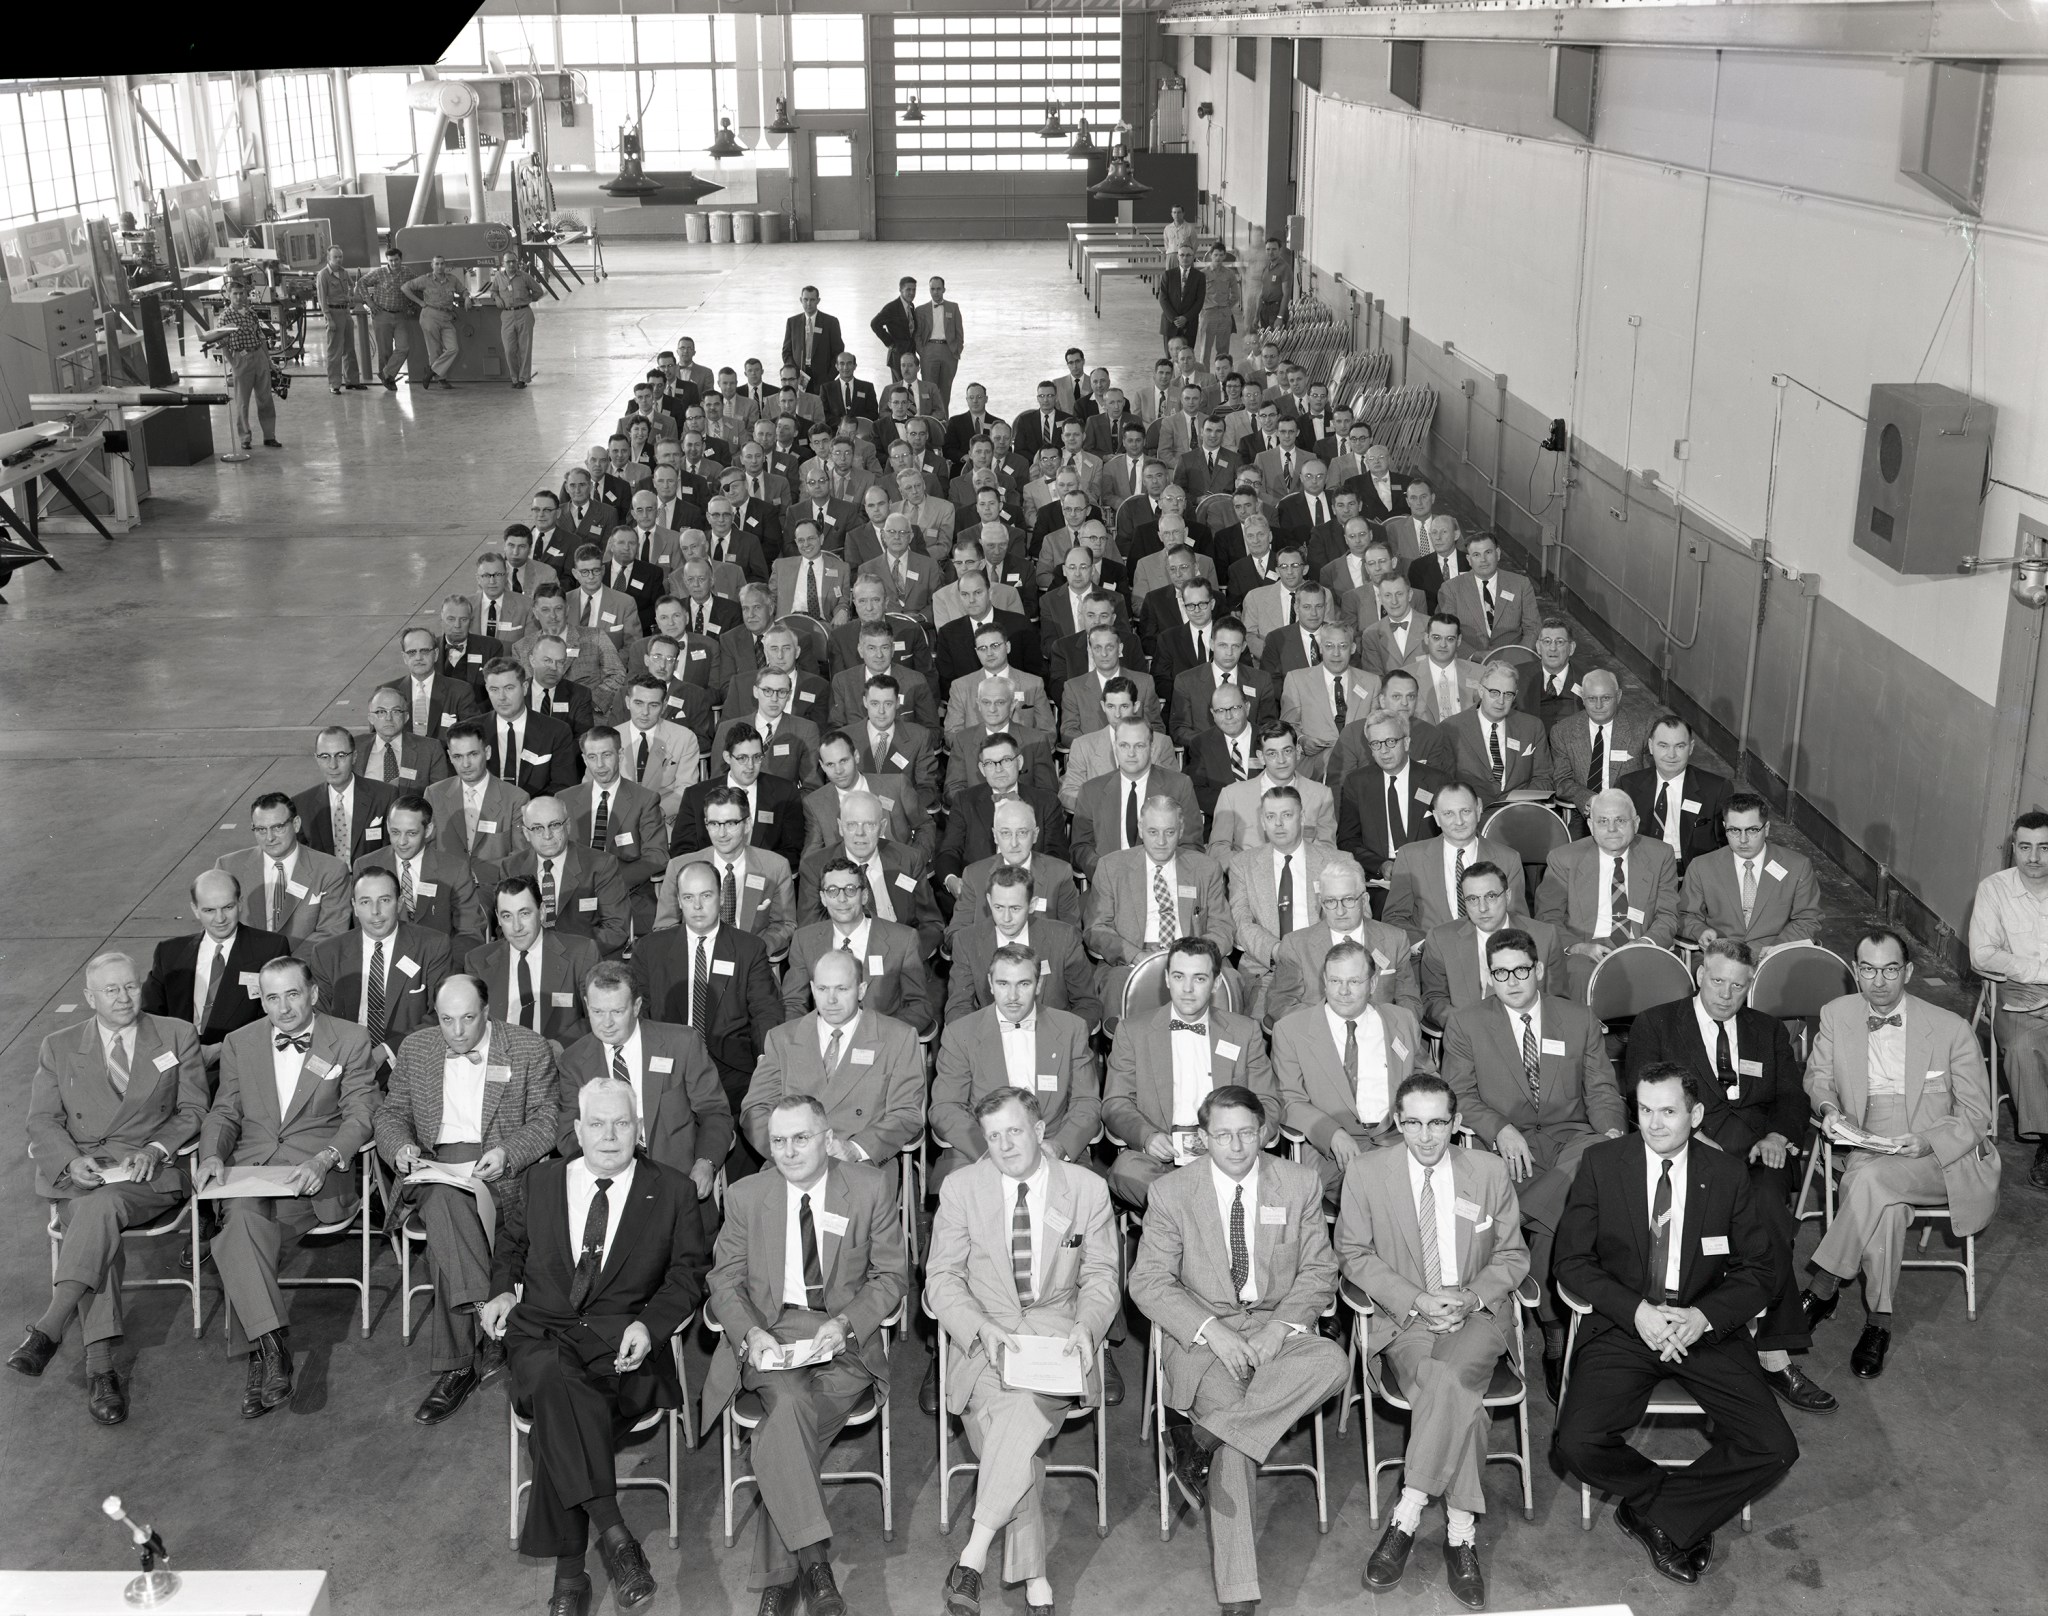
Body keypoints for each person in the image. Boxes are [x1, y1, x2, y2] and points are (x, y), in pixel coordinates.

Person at [1551, 1063, 1800, 1586]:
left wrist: (1704, 1317)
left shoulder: (1727, 1173)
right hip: (1626, 1323)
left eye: (1668, 1111)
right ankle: (1662, 1499)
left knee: (1774, 1445)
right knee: (1575, 1442)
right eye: (1644, 1110)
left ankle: (1660, 1514)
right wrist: (1635, 1311)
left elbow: (1760, 1271)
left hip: (1700, 1325)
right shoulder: (1602, 1164)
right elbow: (1571, 1261)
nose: (1655, 1124)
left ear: (1696, 1114)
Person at [476, 1078, 708, 1616]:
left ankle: (570, 1578)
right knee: (558, 1381)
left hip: (620, 1349)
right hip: (542, 1334)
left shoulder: (671, 1190)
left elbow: (688, 1274)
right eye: (597, 1124)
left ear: (639, 1129)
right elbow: (510, 1248)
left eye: (621, 1123)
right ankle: (616, 1536)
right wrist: (499, 1295)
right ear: (577, 1130)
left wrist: (649, 1326)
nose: (609, 1136)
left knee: (561, 1407)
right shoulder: (541, 1180)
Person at [1130, 1086, 1348, 1616]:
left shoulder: (1296, 1183)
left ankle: (1200, 1438)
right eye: (1222, 1135)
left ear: (1264, 1133)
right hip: (1208, 1343)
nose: (1235, 1146)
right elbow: (1148, 1282)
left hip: (1278, 1330)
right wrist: (1213, 1330)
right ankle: (1239, 1593)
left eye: (1247, 1133)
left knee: (1333, 1362)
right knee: (1236, 1442)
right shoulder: (1173, 1193)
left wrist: (1278, 1328)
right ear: (1203, 1138)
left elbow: (1320, 1270)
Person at [700, 1093, 907, 1616]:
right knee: (789, 1407)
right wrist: (749, 1334)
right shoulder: (748, 1195)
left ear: (827, 1138)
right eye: (778, 1141)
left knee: (781, 1431)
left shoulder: (868, 1187)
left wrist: (846, 1323)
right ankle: (816, 1565)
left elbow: (891, 1276)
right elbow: (722, 1280)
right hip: (773, 1333)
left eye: (801, 1138)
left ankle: (783, 1573)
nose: (788, 1151)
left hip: (843, 1339)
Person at [924, 1088, 1121, 1616]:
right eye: (993, 1136)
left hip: (1058, 1342)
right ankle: (1033, 1575)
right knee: (1018, 1426)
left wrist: (1088, 1326)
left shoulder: (1086, 1190)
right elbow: (940, 1279)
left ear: (1038, 1131)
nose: (1005, 1145)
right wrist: (980, 1327)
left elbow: (1102, 1276)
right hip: (986, 1340)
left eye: (1014, 1131)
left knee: (1013, 1417)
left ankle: (973, 1552)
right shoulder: (962, 1188)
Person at [1623, 941, 1838, 1413]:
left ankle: (1772, 1353)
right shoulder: (1658, 1023)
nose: (1726, 993)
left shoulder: (1767, 1030)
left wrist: (1779, 1136)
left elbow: (1791, 1096)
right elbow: (1641, 1096)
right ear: (1700, 974)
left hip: (1759, 1155)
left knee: (1767, 1216)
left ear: (1750, 985)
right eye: (1718, 981)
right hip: (1688, 1151)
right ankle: (1733, 1338)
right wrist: (1689, 1141)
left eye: (1738, 985)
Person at [1341, 1073, 1527, 1608]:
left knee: (1445, 1378)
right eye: (1414, 1123)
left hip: (1478, 1314)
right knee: (1454, 1392)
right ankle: (1460, 1533)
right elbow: (1353, 1253)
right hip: (1406, 1318)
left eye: (1438, 1123)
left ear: (1457, 1123)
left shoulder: (1488, 1172)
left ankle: (1407, 1514)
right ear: (1398, 1122)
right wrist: (1418, 1300)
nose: (1426, 1136)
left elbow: (1514, 1256)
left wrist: (1468, 1297)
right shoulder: (1368, 1173)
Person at [14, 953, 206, 1423]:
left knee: (94, 1215)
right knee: (95, 1215)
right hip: (84, 1175)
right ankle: (99, 1368)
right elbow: (42, 1119)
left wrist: (158, 1148)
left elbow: (194, 1110)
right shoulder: (58, 1046)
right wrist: (71, 1160)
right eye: (111, 991)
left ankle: (54, 1330)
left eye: (131, 987)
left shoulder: (176, 1034)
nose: (124, 998)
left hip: (149, 1174)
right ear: (89, 998)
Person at [1800, 927, 1998, 1379]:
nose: (1880, 981)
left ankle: (1824, 1284)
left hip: (1938, 1153)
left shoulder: (1949, 1027)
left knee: (1867, 1182)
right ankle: (1879, 1323)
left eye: (1891, 969)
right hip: (1866, 1139)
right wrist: (1830, 1109)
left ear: (1907, 971)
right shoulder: (1836, 1014)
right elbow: (1818, 1078)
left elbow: (1975, 1115)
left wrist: (1928, 1140)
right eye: (1868, 970)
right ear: (1855, 972)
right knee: (1883, 1206)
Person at [1439, 928, 1626, 1398]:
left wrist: (1610, 1137)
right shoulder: (1466, 1023)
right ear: (1490, 975)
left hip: (1571, 1142)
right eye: (1500, 973)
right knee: (1561, 1222)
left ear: (1539, 970)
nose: (1512, 981)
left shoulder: (1578, 1018)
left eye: (1521, 970)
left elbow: (1602, 1089)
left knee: (1599, 1152)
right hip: (1508, 1149)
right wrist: (1498, 1128)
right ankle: (1556, 1327)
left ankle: (1513, 1227)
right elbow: (1457, 1093)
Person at [196, 956, 379, 1418]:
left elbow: (362, 1114)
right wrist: (213, 1152)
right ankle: (274, 1348)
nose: (283, 1008)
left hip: (312, 1178)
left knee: (238, 1231)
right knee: (241, 1219)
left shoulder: (350, 1038)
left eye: (292, 994)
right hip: (252, 1171)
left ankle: (263, 1355)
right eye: (272, 997)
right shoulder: (241, 1042)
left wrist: (327, 1157)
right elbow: (225, 1111)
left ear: (313, 993)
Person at [375, 976, 559, 1424]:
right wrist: (399, 1147)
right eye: (446, 1020)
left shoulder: (528, 1047)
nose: (457, 1032)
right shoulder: (418, 1049)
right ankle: (490, 1318)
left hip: (500, 1170)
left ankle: (458, 1365)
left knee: (445, 1236)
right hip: (435, 1165)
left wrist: (507, 1153)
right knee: (442, 1201)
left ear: (488, 1009)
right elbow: (390, 1113)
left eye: (468, 1018)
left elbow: (547, 1118)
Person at [1102, 937, 1277, 1209]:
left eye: (1199, 978)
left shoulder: (1245, 1032)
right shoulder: (1133, 1031)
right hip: (1162, 1158)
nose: (1187, 989)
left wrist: (1240, 1141)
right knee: (1125, 1170)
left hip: (1227, 1153)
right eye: (1179, 976)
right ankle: (1207, 1207)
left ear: (1216, 983)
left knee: (1281, 1180)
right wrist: (1147, 1137)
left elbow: (1268, 1103)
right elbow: (1115, 1103)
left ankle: (1183, 1210)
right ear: (1167, 979)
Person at [1271, 939, 1430, 1206]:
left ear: (1373, 984)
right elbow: (1289, 1099)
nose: (1343, 991)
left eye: (1354, 982)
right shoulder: (1291, 1030)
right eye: (1335, 981)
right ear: (1324, 980)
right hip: (1330, 1153)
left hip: (1397, 1141)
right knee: (1383, 1200)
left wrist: (1415, 1126)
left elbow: (1427, 1080)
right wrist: (1331, 1133)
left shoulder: (1401, 1020)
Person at [741, 950, 924, 1175]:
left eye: (842, 989)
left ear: (862, 990)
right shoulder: (782, 1038)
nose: (831, 1000)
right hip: (789, 1162)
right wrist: (785, 1150)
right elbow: (754, 1110)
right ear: (812, 989)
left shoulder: (897, 1037)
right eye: (822, 989)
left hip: (859, 1164)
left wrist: (856, 1149)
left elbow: (906, 1113)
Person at [1083, 796, 1235, 1010]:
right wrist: (1135, 955)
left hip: (1193, 954)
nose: (1161, 841)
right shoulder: (1111, 867)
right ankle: (1120, 1043)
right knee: (1116, 983)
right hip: (1132, 958)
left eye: (1169, 832)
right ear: (1140, 828)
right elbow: (1095, 929)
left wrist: (1196, 957)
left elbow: (1223, 926)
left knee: (1231, 980)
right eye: (1153, 832)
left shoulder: (1206, 868)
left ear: (1181, 830)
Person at [1533, 787, 1681, 1000]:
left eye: (1620, 820)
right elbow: (1548, 918)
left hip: (1640, 944)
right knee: (1579, 973)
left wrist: (1646, 943)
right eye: (1602, 821)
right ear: (1591, 826)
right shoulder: (1563, 859)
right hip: (1586, 948)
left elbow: (1668, 915)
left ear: (1636, 823)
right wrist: (1579, 947)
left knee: (1661, 974)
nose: (1612, 829)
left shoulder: (1660, 855)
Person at [305, 866, 451, 1078]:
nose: (375, 911)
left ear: (400, 903)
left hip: (410, 1062)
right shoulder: (327, 952)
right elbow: (319, 1017)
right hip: (346, 1064)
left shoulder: (432, 946)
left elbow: (441, 1014)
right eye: (365, 902)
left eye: (384, 900)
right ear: (354, 906)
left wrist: (385, 1051)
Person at [139, 870, 290, 1072]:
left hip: (239, 1062)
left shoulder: (270, 948)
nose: (220, 919)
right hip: (178, 1063)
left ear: (240, 903)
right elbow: (150, 1014)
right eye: (209, 910)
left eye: (227, 907)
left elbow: (276, 1016)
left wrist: (222, 1050)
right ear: (195, 909)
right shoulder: (169, 953)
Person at [1969, 809, 2048, 1188]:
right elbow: (1982, 955)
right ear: (2013, 848)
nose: (2034, 858)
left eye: (2045, 848)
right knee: (2022, 1046)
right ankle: (2047, 1143)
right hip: (2016, 990)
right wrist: (2037, 973)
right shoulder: (1994, 889)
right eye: (2026, 847)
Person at [782, 856, 935, 1034]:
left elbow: (919, 1006)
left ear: (864, 896)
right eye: (832, 891)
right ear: (823, 898)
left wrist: (889, 1038)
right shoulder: (805, 940)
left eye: (850, 890)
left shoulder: (902, 940)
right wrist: (809, 1039)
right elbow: (793, 1003)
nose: (841, 899)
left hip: (882, 1043)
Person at [1263, 855, 1420, 1027]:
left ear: (1365, 900)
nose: (1339, 911)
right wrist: (1329, 1025)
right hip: (1319, 1039)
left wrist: (1383, 1028)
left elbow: (1410, 1001)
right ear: (1321, 904)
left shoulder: (1395, 939)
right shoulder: (1296, 945)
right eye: (1330, 901)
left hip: (1379, 1036)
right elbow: (1280, 1004)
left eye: (1348, 900)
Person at [1415, 860, 1568, 1033]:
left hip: (1528, 1032)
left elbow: (1558, 1000)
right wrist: (1465, 1023)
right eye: (1472, 899)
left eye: (1491, 896)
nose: (1482, 908)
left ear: (1508, 896)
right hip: (1469, 1037)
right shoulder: (1441, 938)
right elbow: (1433, 1000)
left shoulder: (1545, 936)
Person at [1677, 792, 1823, 952]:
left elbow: (1808, 919)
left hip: (1772, 956)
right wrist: (1700, 931)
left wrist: (1776, 949)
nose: (1743, 839)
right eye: (1734, 830)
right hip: (1721, 956)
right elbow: (1684, 915)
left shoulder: (1797, 866)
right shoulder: (1702, 866)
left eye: (1752, 830)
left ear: (1766, 829)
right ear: (1724, 828)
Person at [215, 791, 350, 945]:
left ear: (296, 824)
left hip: (302, 966)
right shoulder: (228, 867)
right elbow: (217, 928)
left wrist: (285, 967)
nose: (270, 837)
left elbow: (330, 933)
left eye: (278, 827)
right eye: (261, 829)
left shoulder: (331, 870)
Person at [1618, 714, 1731, 877]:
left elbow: (1726, 846)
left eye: (1679, 746)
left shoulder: (1716, 788)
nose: (1671, 755)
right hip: (1639, 871)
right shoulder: (1628, 785)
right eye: (1663, 745)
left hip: (1691, 875)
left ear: (1691, 748)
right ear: (1651, 746)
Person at [193, 277, 281, 450]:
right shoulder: (225, 317)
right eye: (235, 294)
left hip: (259, 356)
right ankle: (245, 438)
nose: (239, 297)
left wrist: (269, 361)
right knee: (242, 402)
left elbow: (260, 337)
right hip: (241, 359)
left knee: (266, 399)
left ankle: (269, 436)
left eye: (242, 294)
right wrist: (233, 363)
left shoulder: (251, 313)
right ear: (228, 295)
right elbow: (222, 342)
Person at [403, 254, 468, 389]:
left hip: (447, 317)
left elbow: (463, 290)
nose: (440, 266)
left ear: (445, 265)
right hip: (430, 315)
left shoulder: (452, 280)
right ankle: (441, 379)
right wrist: (420, 302)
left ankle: (432, 371)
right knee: (434, 349)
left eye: (442, 264)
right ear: (432, 266)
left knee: (453, 348)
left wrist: (467, 297)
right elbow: (405, 287)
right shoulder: (425, 280)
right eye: (437, 264)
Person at [359, 243, 414, 389]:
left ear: (401, 259)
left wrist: (413, 304)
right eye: (391, 260)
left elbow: (415, 287)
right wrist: (370, 302)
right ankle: (389, 379)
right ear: (387, 261)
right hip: (382, 315)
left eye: (396, 260)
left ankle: (386, 373)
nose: (394, 263)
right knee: (385, 351)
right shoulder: (379, 273)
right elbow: (361, 283)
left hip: (400, 316)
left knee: (403, 347)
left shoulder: (408, 273)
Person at [313, 246, 363, 393]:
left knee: (349, 349)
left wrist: (352, 297)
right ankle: (334, 384)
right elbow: (322, 299)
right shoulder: (323, 275)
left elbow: (352, 287)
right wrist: (329, 319)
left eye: (341, 256)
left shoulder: (344, 273)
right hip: (333, 313)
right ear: (329, 258)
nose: (339, 259)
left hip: (346, 312)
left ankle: (352, 381)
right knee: (334, 351)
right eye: (336, 257)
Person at [488, 249, 541, 388]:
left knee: (525, 347)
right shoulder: (499, 277)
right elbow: (493, 291)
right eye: (508, 262)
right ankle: (514, 378)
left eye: (513, 261)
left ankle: (522, 379)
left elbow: (538, 291)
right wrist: (497, 297)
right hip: (507, 315)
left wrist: (528, 299)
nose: (511, 264)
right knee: (509, 349)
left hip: (524, 313)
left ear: (517, 262)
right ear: (503, 263)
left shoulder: (524, 277)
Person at [916, 276, 964, 409]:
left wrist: (956, 351)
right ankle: (928, 423)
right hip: (929, 351)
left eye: (938, 289)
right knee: (928, 391)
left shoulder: (953, 307)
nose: (935, 292)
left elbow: (959, 332)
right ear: (929, 290)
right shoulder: (920, 310)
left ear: (944, 290)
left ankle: (944, 425)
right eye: (932, 289)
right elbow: (917, 335)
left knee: (945, 392)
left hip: (949, 352)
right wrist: (923, 353)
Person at [1196, 246, 1239, 367]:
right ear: (1210, 255)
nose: (1218, 258)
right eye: (1215, 255)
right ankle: (1205, 379)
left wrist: (1226, 307)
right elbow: (1197, 295)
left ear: (1225, 256)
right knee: (1205, 350)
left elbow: (1235, 295)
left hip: (1224, 315)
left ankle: (1222, 379)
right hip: (1208, 314)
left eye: (1221, 255)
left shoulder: (1230, 274)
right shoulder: (1202, 274)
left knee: (1223, 351)